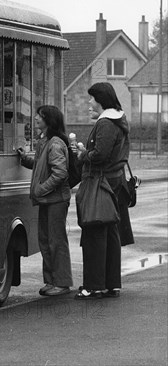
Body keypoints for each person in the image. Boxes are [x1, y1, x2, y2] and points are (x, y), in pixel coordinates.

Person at [74, 82, 133, 300]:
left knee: (94, 232)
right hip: (114, 183)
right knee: (110, 234)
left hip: (101, 183)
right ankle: (110, 285)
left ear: (101, 101)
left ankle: (94, 286)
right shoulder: (117, 120)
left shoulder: (106, 123)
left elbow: (100, 155)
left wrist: (83, 154)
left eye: (92, 99)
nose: (89, 103)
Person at [18, 105, 73, 296]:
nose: (35, 118)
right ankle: (51, 280)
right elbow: (42, 165)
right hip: (48, 200)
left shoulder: (55, 143)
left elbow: (60, 173)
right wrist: (24, 159)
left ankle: (62, 283)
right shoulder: (46, 141)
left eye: (39, 116)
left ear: (49, 120)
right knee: (45, 239)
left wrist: (41, 189)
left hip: (56, 200)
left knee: (56, 241)